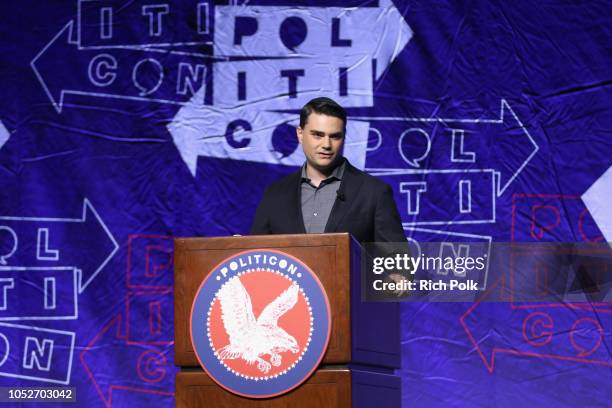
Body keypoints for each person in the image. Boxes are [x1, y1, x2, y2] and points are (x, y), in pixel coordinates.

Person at [250, 97, 406, 244]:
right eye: (317, 135)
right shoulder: (275, 194)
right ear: (300, 134)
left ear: (344, 137)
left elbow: (397, 262)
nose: (326, 144)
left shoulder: (374, 192)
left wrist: (394, 272)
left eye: (335, 136)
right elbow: (257, 255)